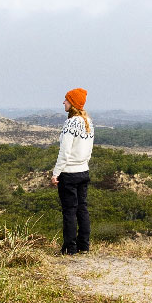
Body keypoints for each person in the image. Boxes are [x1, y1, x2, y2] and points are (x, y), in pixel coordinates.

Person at [51, 88, 93, 254]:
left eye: (66, 100)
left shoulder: (71, 123)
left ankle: (70, 248)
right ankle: (84, 245)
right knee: (82, 208)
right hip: (83, 171)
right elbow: (89, 150)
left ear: (73, 103)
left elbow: (65, 151)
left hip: (69, 173)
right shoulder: (88, 121)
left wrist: (56, 173)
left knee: (69, 211)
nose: (63, 102)